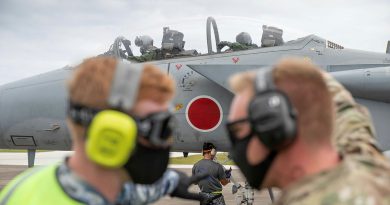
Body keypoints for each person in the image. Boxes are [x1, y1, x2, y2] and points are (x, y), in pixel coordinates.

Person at [0, 57, 205, 205]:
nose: (166, 140)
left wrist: (171, 181)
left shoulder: (27, 186)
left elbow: (129, 192)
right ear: (111, 134)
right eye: (158, 126)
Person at [226, 58, 390, 204]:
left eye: (238, 130)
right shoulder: (367, 164)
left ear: (274, 130)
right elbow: (348, 115)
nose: (234, 147)